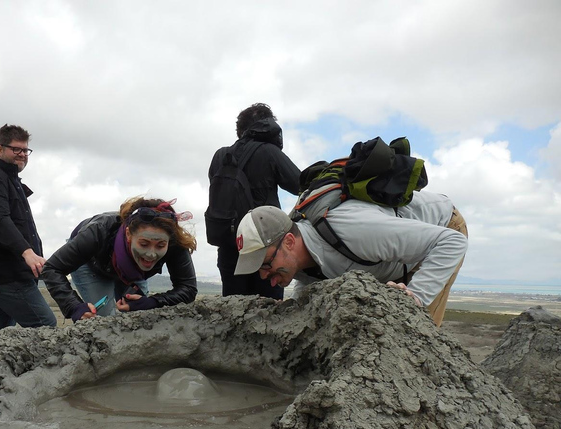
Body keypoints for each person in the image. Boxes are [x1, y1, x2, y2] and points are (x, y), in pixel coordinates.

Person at [233, 191, 468, 327]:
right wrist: (296, 306)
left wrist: (416, 296)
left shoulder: (354, 230)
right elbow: (313, 276)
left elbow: (450, 242)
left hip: (442, 230)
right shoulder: (299, 255)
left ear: (289, 242)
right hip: (389, 258)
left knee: (414, 326)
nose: (264, 276)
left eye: (265, 264)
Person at [0, 124, 57, 336]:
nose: (22, 155)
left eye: (25, 150)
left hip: (3, 275)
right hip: (5, 275)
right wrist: (27, 252)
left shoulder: (11, 182)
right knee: (45, 326)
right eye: (16, 149)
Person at [42, 197, 198, 322]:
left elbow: (188, 288)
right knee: (102, 321)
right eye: (144, 244)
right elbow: (52, 268)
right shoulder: (98, 231)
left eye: (160, 246)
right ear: (129, 234)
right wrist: (74, 306)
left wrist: (154, 302)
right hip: (91, 264)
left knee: (140, 316)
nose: (151, 254)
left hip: (132, 272)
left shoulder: (175, 241)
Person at [207, 103, 301, 299]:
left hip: (229, 246)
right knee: (270, 313)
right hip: (266, 249)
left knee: (233, 311)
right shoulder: (269, 152)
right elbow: (300, 185)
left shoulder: (220, 156)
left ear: (240, 130)